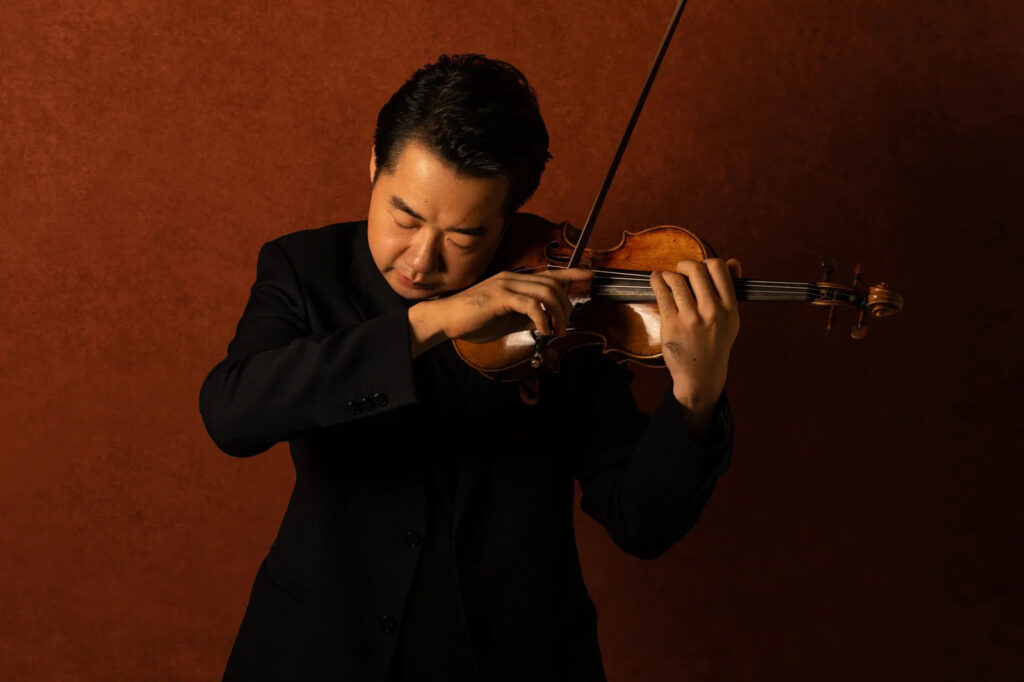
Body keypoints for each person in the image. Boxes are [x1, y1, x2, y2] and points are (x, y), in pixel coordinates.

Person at [199, 53, 741, 682]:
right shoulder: (305, 268)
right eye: (404, 218)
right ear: (374, 165)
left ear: (506, 219)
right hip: (320, 651)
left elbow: (639, 523)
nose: (420, 260)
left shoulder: (562, 305)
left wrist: (697, 395)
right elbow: (232, 414)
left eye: (463, 237)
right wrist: (433, 320)